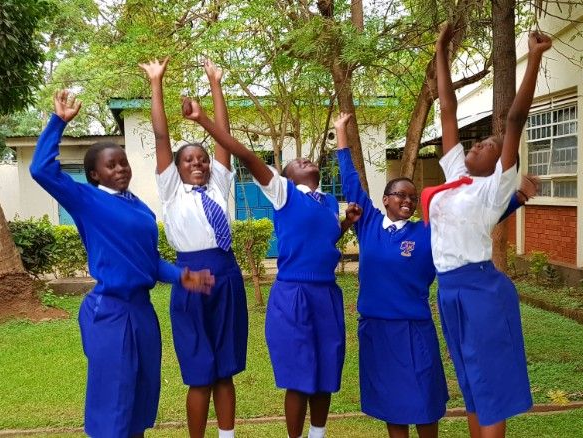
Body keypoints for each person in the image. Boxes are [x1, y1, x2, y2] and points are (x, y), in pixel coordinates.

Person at [333, 113, 538, 438]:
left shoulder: (427, 232)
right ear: (385, 200)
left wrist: (515, 199)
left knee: (423, 402)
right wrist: (341, 133)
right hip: (375, 329)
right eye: (400, 195)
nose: (408, 200)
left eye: (413, 197)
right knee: (389, 403)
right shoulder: (368, 223)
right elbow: (350, 181)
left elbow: (473, 218)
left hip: (413, 329)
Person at [30, 90, 215, 438]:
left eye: (124, 163)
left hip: (142, 313)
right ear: (94, 175)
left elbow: (148, 262)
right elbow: (40, 169)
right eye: (111, 165)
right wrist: (58, 122)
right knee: (112, 400)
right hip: (111, 314)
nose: (120, 169)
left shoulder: (138, 207)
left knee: (140, 397)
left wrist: (181, 276)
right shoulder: (87, 200)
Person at [181, 97, 361, 438]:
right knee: (299, 375)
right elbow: (246, 156)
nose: (305, 160)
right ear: (286, 177)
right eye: (296, 162)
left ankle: (318, 435)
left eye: (308, 159)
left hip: (326, 296)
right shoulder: (284, 193)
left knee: (326, 371)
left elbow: (318, 245)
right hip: (294, 295)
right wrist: (204, 120)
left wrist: (345, 225)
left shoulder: (326, 204)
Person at [420, 23, 552, 438]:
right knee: (470, 380)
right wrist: (441, 49)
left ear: (499, 165)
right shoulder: (456, 177)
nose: (477, 146)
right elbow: (446, 108)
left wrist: (534, 59)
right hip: (449, 290)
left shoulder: (494, 190)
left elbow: (515, 119)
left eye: (488, 148)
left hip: (480, 291)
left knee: (490, 382)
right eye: (477, 144)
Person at [139, 57, 248, 438]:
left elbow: (224, 136)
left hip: (227, 274)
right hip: (190, 279)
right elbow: (160, 138)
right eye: (189, 160)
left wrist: (215, 83)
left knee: (226, 368)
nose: (198, 164)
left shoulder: (218, 185)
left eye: (202, 159)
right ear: (178, 167)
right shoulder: (171, 189)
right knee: (200, 372)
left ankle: (228, 435)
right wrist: (157, 83)